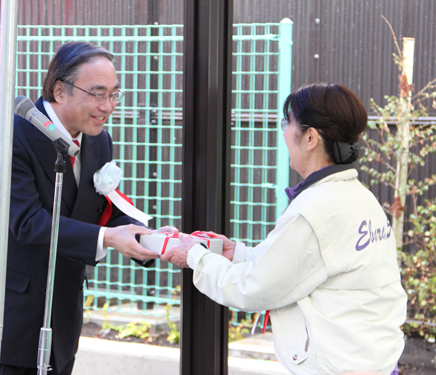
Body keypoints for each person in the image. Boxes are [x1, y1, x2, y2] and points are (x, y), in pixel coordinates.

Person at [0, 42, 168, 375]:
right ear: (60, 91)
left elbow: (101, 207)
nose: (107, 106)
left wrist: (152, 239)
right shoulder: (9, 137)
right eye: (97, 93)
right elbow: (27, 222)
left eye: (114, 94)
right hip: (5, 318)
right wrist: (108, 238)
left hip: (61, 318)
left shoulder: (98, 139)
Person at [163, 83, 407, 375]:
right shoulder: (358, 197)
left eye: (286, 124)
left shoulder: (316, 209)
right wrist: (237, 253)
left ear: (310, 138)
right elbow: (303, 265)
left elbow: (252, 289)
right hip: (372, 361)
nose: (283, 133)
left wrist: (195, 257)